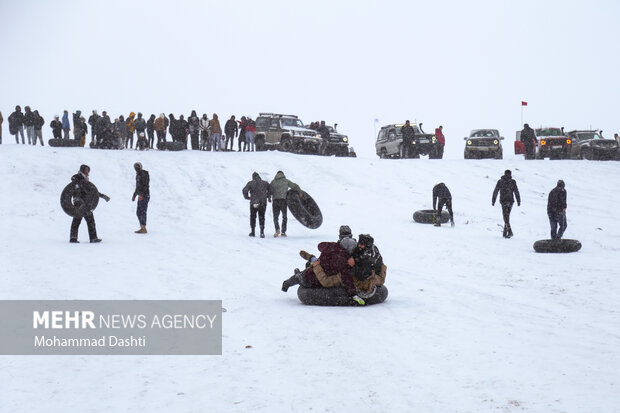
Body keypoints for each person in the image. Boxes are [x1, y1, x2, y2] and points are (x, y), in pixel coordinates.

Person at [281, 240, 365, 305]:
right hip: (315, 278)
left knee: (303, 275)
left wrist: (329, 248)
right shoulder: (343, 260)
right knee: (301, 278)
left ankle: (291, 280)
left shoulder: (332, 246)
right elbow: (347, 278)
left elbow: (320, 245)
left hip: (314, 270)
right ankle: (287, 283)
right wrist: (353, 294)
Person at [69, 164, 110, 243]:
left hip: (86, 203)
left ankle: (92, 238)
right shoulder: (77, 178)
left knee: (89, 220)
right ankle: (74, 238)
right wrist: (78, 197)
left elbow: (93, 191)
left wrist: (102, 196)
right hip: (79, 202)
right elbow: (75, 182)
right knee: (77, 220)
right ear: (82, 170)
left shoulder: (85, 180)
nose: (87, 172)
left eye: (88, 170)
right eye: (86, 170)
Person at [350, 234, 387, 298]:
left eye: (362, 245)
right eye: (359, 243)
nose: (359, 246)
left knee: (363, 284)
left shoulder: (370, 256)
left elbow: (362, 275)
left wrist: (352, 265)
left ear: (367, 245)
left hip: (373, 275)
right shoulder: (360, 249)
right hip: (364, 270)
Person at [270, 171, 301, 237]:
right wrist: (300, 192)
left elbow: (269, 190)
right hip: (283, 200)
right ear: (283, 174)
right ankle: (283, 232)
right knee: (284, 217)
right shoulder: (286, 181)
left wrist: (269, 198)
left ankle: (277, 229)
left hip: (275, 200)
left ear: (276, 175)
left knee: (275, 217)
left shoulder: (273, 182)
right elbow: (295, 186)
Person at [492, 169, 521, 238]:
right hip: (510, 201)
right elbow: (516, 191)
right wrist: (518, 200)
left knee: (505, 216)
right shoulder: (512, 182)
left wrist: (493, 200)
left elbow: (495, 191)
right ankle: (505, 233)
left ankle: (509, 231)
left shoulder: (500, 181)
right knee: (507, 215)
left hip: (504, 201)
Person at [242, 172, 272, 238]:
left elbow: (244, 190)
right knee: (262, 217)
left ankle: (253, 232)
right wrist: (268, 196)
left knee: (253, 217)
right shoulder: (265, 183)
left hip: (254, 202)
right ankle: (262, 232)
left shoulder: (250, 183)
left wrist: (247, 197)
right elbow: (271, 189)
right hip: (262, 203)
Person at [132, 162, 150, 234]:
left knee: (142, 211)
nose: (136, 168)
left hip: (145, 196)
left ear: (141, 167)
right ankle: (142, 226)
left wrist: (142, 195)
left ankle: (143, 228)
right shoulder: (138, 175)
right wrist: (134, 195)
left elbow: (146, 186)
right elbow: (138, 187)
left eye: (138, 166)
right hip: (140, 196)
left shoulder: (144, 174)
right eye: (135, 167)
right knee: (138, 212)